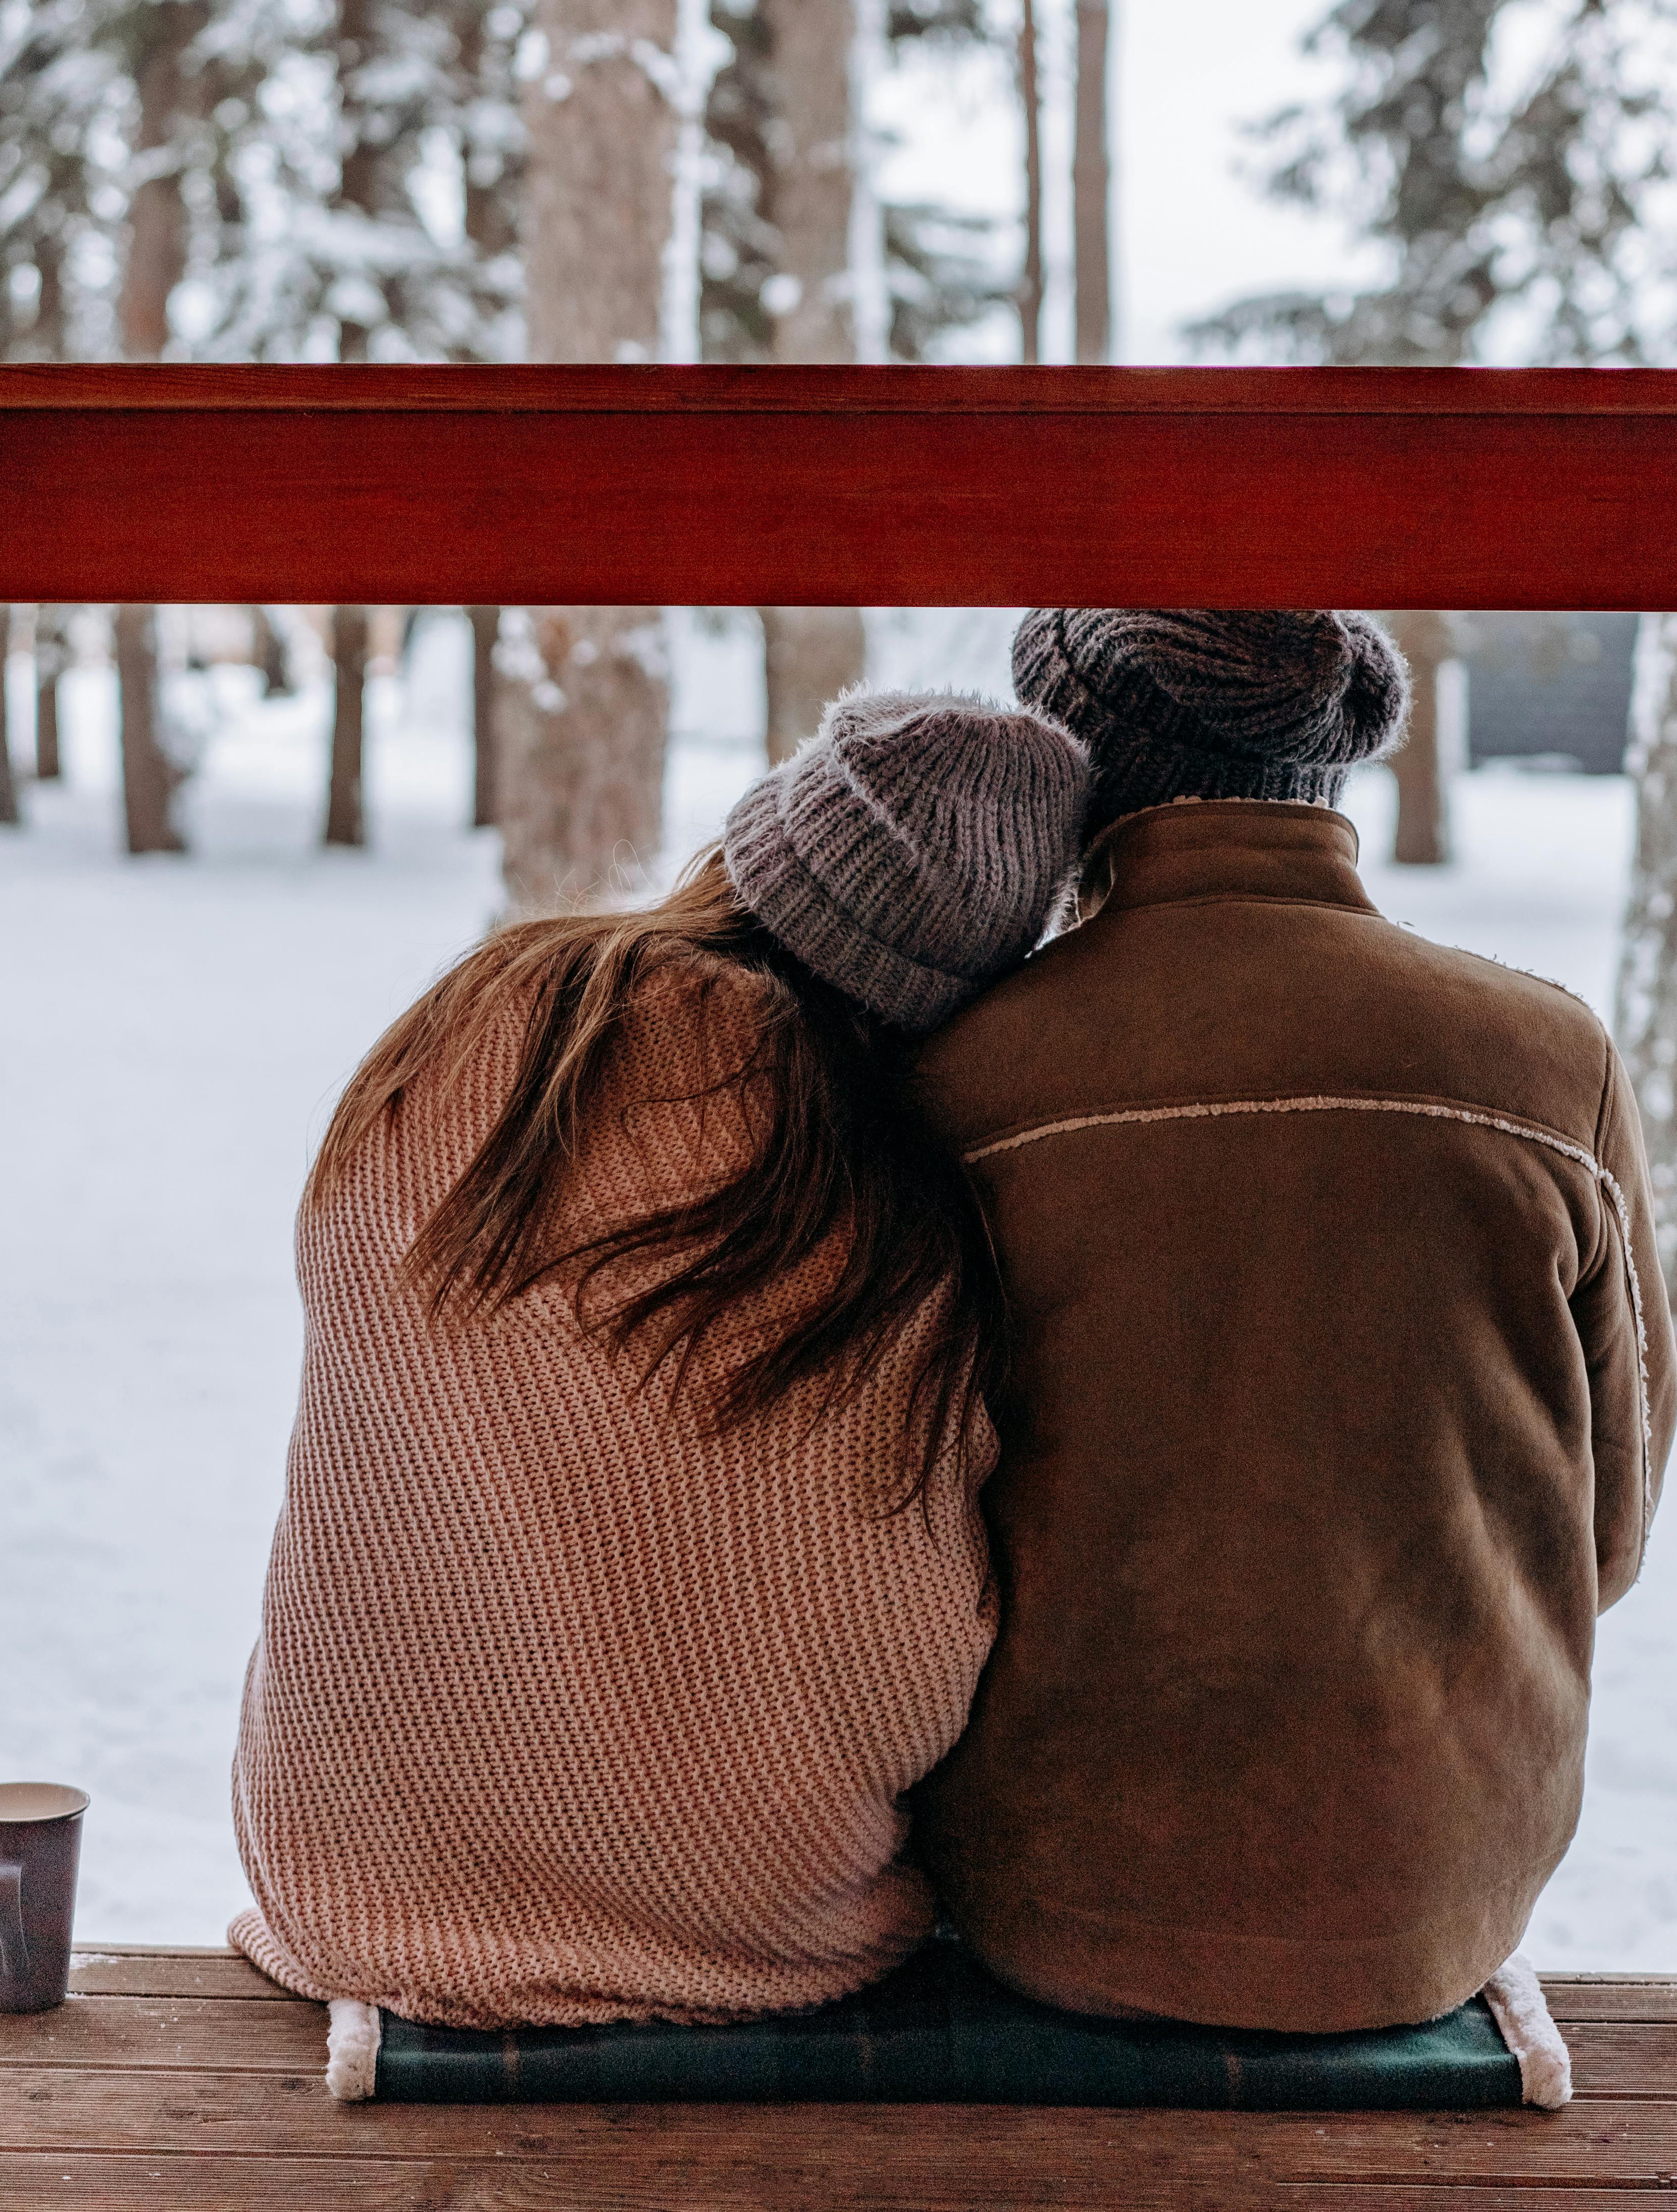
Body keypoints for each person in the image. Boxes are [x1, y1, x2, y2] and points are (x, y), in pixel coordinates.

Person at [230, 688, 1088, 2032]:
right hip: (765, 1920)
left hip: (355, 1861)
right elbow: (916, 1645)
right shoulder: (902, 1215)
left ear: (753, 850)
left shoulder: (495, 1018)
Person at [914, 609, 1677, 2036]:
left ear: (1077, 771)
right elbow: (1610, 1536)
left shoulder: (966, 1074)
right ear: (1328, 761)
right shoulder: (1545, 1056)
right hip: (1434, 1908)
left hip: (1051, 1901)